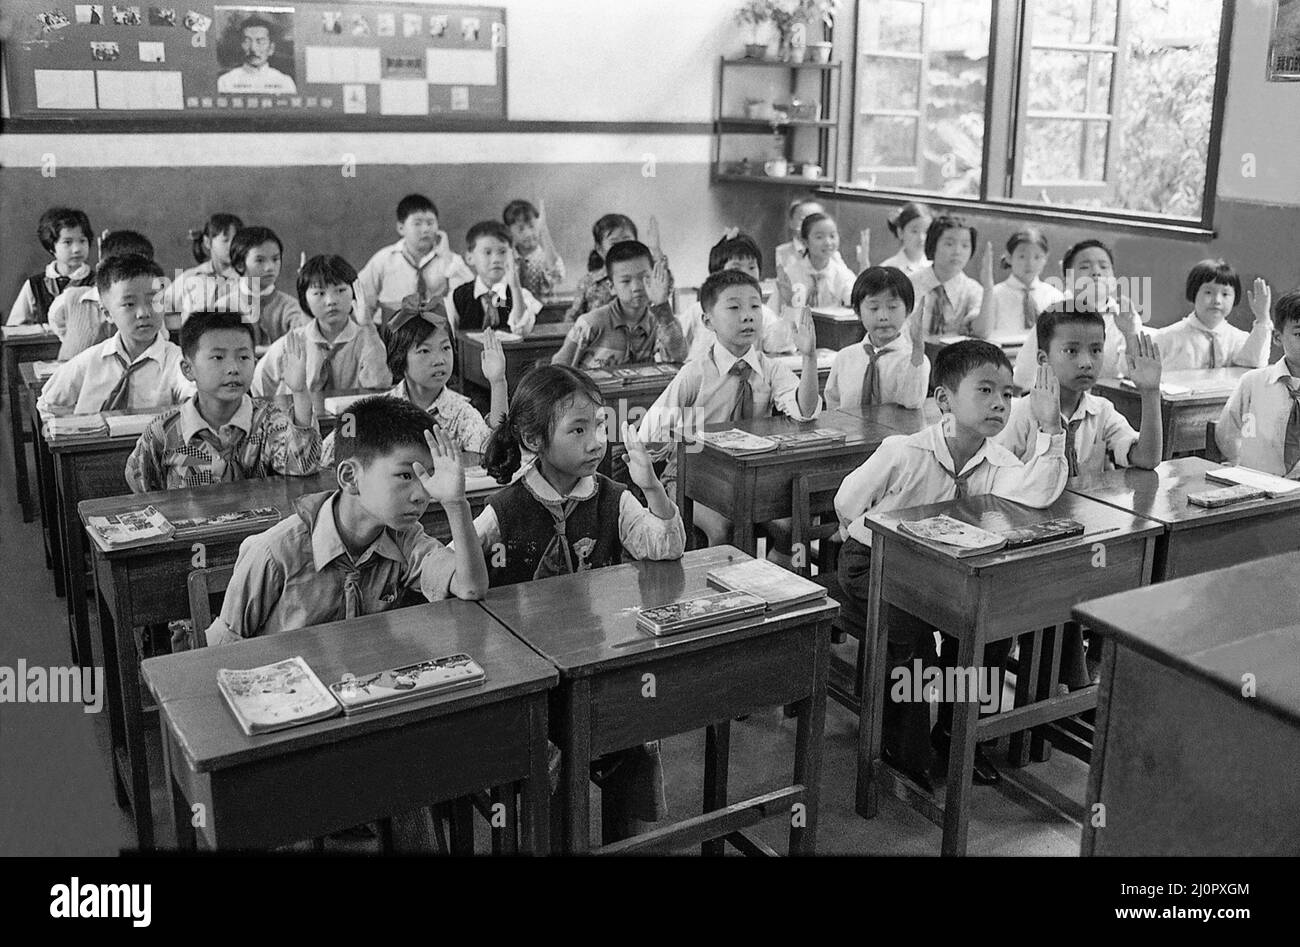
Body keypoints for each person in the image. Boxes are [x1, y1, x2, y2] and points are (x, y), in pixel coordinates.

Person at [428, 364, 685, 842]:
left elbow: (664, 545)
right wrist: (454, 510)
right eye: (578, 430)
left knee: (634, 738)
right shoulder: (505, 508)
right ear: (532, 439)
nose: (595, 443)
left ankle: (621, 841)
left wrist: (651, 487)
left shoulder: (612, 497)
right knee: (550, 761)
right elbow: (449, 570)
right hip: (529, 682)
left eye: (600, 427)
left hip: (593, 669)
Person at [835, 341, 1068, 789]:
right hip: (873, 562)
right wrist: (862, 535)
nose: (999, 402)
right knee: (915, 631)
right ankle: (905, 746)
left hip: (946, 571)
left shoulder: (998, 461)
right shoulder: (903, 450)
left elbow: (1037, 493)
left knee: (993, 630)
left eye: (1007, 393)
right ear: (944, 400)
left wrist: (1049, 424)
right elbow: (848, 500)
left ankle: (958, 736)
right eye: (985, 390)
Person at [641, 269, 819, 544]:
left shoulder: (770, 369)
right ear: (707, 320)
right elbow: (650, 430)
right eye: (734, 307)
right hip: (692, 478)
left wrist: (809, 358)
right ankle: (722, 584)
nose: (747, 315)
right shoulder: (695, 373)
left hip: (750, 476)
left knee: (791, 530)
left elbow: (804, 411)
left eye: (755, 306)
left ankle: (772, 581)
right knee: (723, 528)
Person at [125, 310, 321, 493]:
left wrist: (300, 390)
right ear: (188, 369)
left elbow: (302, 465)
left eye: (244, 357)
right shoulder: (163, 431)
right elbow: (142, 486)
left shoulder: (268, 421)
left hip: (259, 530)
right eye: (218, 357)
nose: (233, 368)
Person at [320, 299, 507, 466]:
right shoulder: (372, 409)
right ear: (400, 359)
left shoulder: (461, 413)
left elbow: (495, 451)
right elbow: (328, 452)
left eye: (445, 348)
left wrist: (498, 382)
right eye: (425, 351)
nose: (439, 360)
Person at [37, 254, 193, 417]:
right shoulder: (91, 361)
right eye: (129, 304)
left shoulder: (176, 360)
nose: (143, 313)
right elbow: (47, 403)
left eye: (154, 301)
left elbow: (195, 398)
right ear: (107, 313)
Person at [1010, 239, 1143, 390]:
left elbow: (1135, 374)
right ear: (1067, 279)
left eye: (1104, 266)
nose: (1096, 272)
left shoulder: (1125, 315)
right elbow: (1023, 376)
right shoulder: (1054, 315)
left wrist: (1129, 334)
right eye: (1085, 267)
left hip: (1108, 401)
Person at [252, 254, 389, 396]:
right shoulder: (293, 342)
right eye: (319, 293)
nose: (331, 301)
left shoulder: (367, 339)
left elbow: (379, 384)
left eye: (340, 290)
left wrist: (368, 326)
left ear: (354, 292)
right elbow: (260, 381)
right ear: (304, 299)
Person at [551, 241, 686, 369]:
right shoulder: (589, 324)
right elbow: (559, 368)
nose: (636, 287)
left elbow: (679, 356)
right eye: (626, 281)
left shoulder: (660, 321)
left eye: (645, 277)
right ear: (611, 287)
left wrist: (662, 306)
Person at [1216, 288, 1300, 477]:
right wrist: (1242, 468)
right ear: (1278, 337)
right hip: (1259, 486)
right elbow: (1227, 431)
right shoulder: (1253, 383)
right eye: (1299, 334)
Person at [356, 194, 474, 325]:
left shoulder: (451, 260)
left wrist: (448, 259)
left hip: (436, 332)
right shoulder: (384, 259)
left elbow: (469, 296)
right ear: (401, 228)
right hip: (390, 330)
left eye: (430, 223)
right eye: (417, 223)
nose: (425, 229)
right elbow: (362, 299)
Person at [824, 266, 929, 411]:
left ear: (908, 309)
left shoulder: (914, 359)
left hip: (896, 433)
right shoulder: (845, 357)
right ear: (857, 311)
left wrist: (918, 346)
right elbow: (833, 403)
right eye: (873, 308)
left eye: (892, 307)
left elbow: (913, 403)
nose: (883, 316)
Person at [677, 231, 794, 361]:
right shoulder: (697, 311)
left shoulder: (761, 312)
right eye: (737, 268)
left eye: (751, 267)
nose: (746, 274)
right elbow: (674, 346)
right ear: (717, 274)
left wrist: (789, 303)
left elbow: (780, 345)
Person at [49, 229, 156, 360]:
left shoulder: (153, 308)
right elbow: (57, 322)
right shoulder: (72, 298)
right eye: (125, 272)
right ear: (101, 269)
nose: (134, 278)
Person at [1151, 261, 1272, 370]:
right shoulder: (1167, 338)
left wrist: (1263, 318)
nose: (1217, 300)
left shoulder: (1239, 339)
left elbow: (1255, 364)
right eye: (1208, 292)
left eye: (1225, 294)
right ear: (1193, 293)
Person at [213, 225, 307, 348]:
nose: (270, 267)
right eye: (260, 260)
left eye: (275, 259)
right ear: (240, 264)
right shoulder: (224, 306)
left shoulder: (291, 308)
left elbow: (299, 349)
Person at [444, 221, 540, 336]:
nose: (496, 259)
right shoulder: (456, 296)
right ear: (470, 258)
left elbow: (522, 331)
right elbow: (449, 338)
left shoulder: (522, 295)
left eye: (503, 252)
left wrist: (515, 287)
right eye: (487, 252)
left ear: (512, 255)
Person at [971, 228, 1065, 340]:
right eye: (1022, 256)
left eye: (1037, 257)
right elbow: (981, 333)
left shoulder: (1054, 296)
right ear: (1009, 257)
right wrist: (987, 288)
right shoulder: (994, 294)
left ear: (1045, 258)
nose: (1030, 263)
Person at [7, 207, 94, 326]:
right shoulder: (35, 285)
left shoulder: (97, 282)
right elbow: (14, 327)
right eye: (67, 242)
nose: (77, 249)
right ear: (51, 247)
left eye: (82, 241)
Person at [159, 212, 243, 316]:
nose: (232, 246)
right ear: (208, 242)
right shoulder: (191, 277)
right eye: (225, 241)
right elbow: (164, 305)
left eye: (236, 241)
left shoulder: (245, 278)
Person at [910, 214, 982, 336]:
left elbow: (979, 328)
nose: (957, 252)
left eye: (965, 246)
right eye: (949, 244)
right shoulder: (910, 283)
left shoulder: (973, 289)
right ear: (933, 244)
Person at [776, 212, 855, 308]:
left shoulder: (843, 275)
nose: (828, 242)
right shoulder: (790, 274)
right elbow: (774, 310)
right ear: (805, 242)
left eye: (832, 236)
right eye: (819, 237)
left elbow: (853, 303)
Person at [217, 16, 297, 94]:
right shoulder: (225, 82)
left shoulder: (285, 82)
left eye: (260, 41)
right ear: (240, 45)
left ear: (271, 48)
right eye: (247, 41)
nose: (253, 49)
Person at [503, 198, 565, 299]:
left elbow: (557, 277)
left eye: (532, 226)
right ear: (509, 231)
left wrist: (543, 230)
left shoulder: (546, 257)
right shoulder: (506, 259)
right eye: (521, 229)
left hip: (546, 311)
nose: (528, 234)